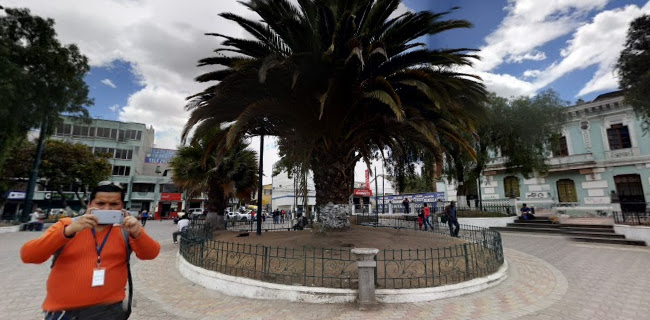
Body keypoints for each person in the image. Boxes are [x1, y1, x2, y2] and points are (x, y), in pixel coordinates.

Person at [20, 183, 160, 319]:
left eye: (114, 205)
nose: (107, 209)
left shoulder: (126, 228)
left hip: (109, 310)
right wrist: (69, 231)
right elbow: (29, 256)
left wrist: (137, 233)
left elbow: (151, 254)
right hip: (64, 311)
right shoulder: (68, 225)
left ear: (122, 207)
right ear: (90, 205)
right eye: (100, 204)